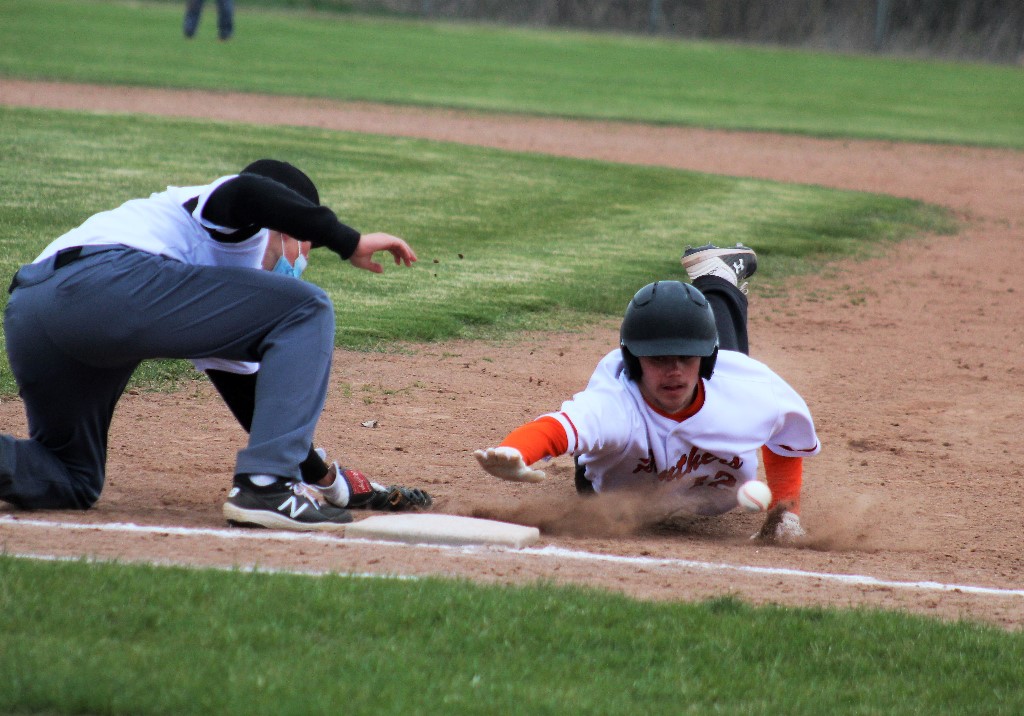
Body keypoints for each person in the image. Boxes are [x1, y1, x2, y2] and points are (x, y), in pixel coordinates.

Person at [1, 159, 418, 532]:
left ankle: (270, 484)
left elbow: (251, 400)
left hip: (34, 311)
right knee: (307, 308)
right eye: (306, 239)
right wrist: (347, 240)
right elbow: (248, 190)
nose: (303, 256)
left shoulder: (205, 287)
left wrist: (326, 478)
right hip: (105, 282)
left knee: (69, 477)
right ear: (286, 222)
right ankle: (265, 488)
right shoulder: (236, 224)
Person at [474, 243, 819, 541]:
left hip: (713, 445)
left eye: (685, 358)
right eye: (658, 359)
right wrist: (514, 451)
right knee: (599, 436)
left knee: (729, 365)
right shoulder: (614, 408)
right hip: (612, 487)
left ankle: (718, 277)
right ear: (635, 360)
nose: (674, 370)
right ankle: (715, 289)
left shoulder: (749, 389)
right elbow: (557, 430)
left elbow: (785, 433)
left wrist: (785, 512)